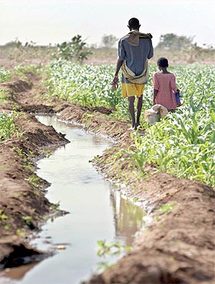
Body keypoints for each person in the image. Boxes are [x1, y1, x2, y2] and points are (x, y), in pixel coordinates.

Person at [112, 17, 153, 130]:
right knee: (140, 97)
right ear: (139, 26)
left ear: (128, 27)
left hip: (128, 73)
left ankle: (133, 124)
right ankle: (139, 122)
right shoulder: (147, 39)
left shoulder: (123, 40)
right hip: (142, 72)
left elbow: (121, 58)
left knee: (131, 99)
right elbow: (150, 56)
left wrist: (115, 74)